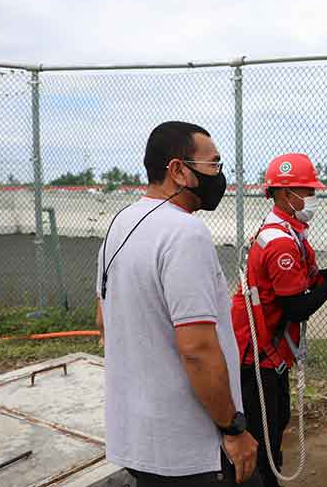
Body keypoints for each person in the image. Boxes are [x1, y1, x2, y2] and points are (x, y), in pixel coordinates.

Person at [96, 121, 260, 486]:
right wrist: (232, 428)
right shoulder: (186, 234)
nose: (220, 175)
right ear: (178, 170)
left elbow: (104, 319)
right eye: (213, 164)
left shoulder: (121, 223)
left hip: (139, 437)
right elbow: (198, 349)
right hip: (192, 447)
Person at [231, 153, 327, 487]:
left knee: (275, 425)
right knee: (263, 439)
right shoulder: (280, 241)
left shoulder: (288, 231)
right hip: (257, 354)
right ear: (283, 194)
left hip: (269, 351)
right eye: (305, 190)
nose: (311, 197)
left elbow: (302, 284)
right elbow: (297, 307)